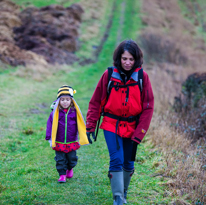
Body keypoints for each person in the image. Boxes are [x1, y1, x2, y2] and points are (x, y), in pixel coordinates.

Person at [86, 40, 154, 204]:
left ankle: (123, 193)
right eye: (124, 59)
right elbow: (95, 102)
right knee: (116, 159)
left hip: (133, 127)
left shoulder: (142, 77)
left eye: (131, 59)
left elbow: (148, 107)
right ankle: (118, 198)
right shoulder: (108, 75)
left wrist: (140, 133)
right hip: (111, 124)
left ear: (136, 59)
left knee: (128, 163)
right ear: (119, 58)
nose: (128, 63)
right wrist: (90, 126)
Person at [46, 85, 89, 183]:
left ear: (71, 101)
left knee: (72, 158)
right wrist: (48, 136)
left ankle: (70, 168)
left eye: (67, 100)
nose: (65, 102)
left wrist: (84, 134)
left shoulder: (74, 112)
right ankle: (62, 175)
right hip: (59, 140)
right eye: (62, 100)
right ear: (58, 101)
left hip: (71, 140)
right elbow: (50, 124)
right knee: (60, 159)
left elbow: (81, 123)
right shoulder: (55, 113)